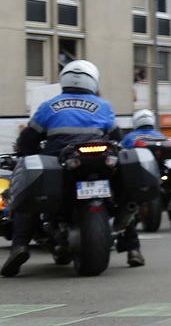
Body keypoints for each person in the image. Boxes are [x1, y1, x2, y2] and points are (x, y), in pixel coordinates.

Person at [4, 60, 143, 275]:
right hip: (101, 162)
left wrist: (26, 151)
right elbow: (117, 138)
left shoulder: (49, 106)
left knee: (31, 194)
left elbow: (28, 140)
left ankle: (20, 246)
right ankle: (134, 249)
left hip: (61, 161)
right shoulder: (103, 105)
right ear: (92, 81)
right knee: (121, 196)